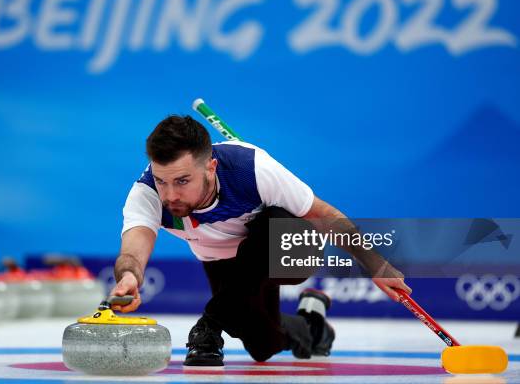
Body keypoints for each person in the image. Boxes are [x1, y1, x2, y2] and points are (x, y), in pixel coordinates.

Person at [111, 115, 411, 365]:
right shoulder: (147, 193)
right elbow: (134, 251)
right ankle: (312, 323)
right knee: (263, 346)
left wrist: (375, 263)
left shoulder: (251, 168)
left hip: (286, 252)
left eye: (182, 181)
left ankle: (210, 323)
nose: (171, 195)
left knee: (274, 220)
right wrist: (128, 276)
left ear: (210, 167)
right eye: (162, 181)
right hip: (225, 261)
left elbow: (323, 214)